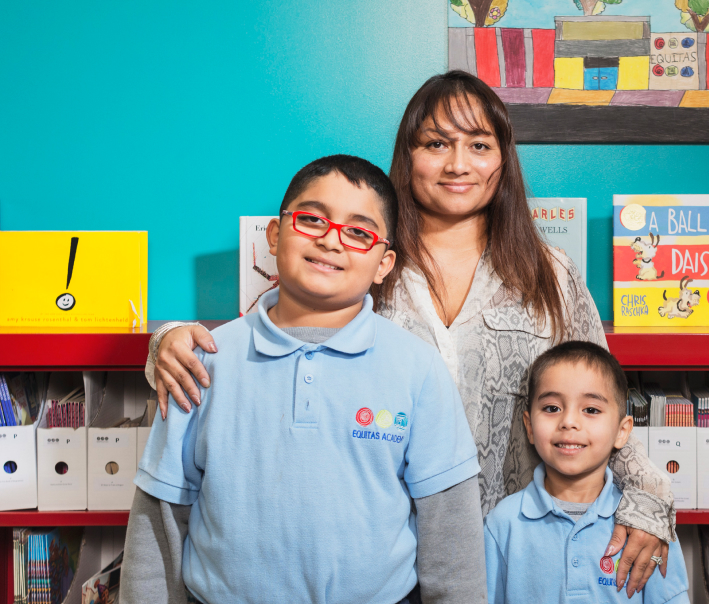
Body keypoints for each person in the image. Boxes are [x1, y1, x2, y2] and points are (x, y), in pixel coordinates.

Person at [144, 70, 676, 594]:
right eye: (437, 143)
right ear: (408, 153)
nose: (458, 164)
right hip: (381, 562)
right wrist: (164, 337)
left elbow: (603, 400)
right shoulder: (358, 254)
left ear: (503, 159)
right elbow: (268, 333)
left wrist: (648, 500)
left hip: (520, 551)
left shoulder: (551, 275)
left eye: (479, 145)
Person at [121, 155, 487, 604]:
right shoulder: (203, 362)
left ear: (383, 264)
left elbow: (451, 533)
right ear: (275, 235)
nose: (332, 241)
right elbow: (157, 522)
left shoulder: (417, 367)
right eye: (312, 219)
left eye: (359, 231)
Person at [484, 342, 689, 603]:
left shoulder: (647, 526)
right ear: (530, 427)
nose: (569, 421)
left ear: (622, 431)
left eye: (591, 410)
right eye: (551, 408)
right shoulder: (502, 524)